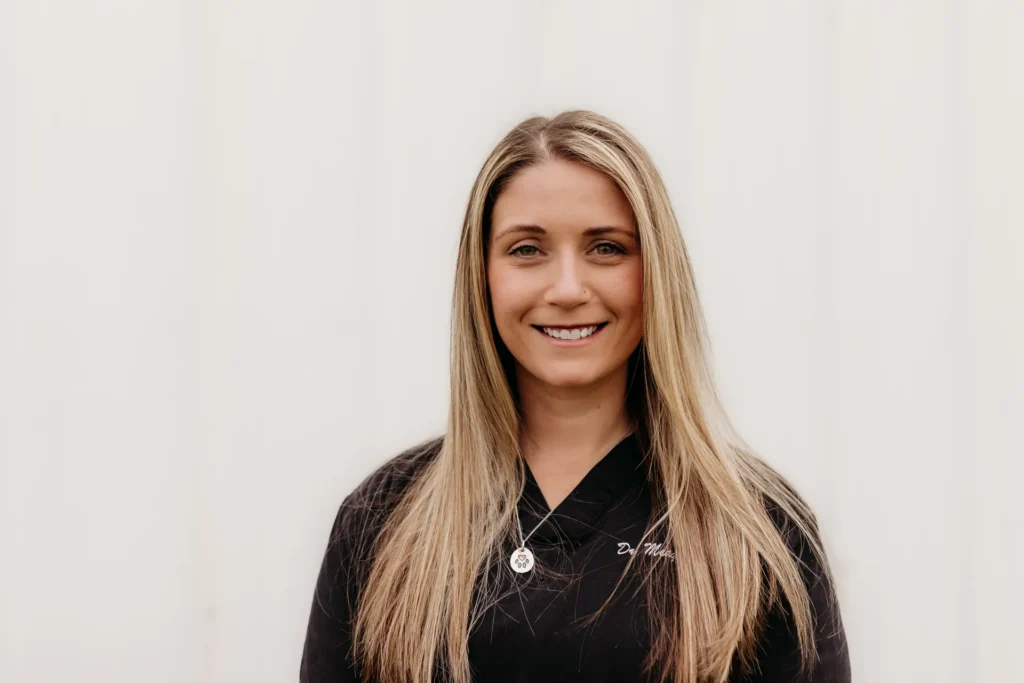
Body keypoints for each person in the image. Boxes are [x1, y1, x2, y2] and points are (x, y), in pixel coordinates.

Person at [299, 110, 851, 683]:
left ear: (657, 271)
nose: (566, 289)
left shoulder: (757, 532)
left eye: (607, 248)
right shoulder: (383, 520)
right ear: (481, 275)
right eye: (526, 249)